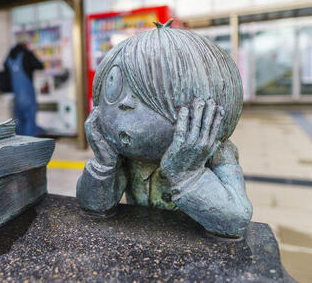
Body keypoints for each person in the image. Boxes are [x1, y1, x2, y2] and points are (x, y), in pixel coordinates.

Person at [76, 20, 252, 238]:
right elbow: (93, 206)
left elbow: (236, 220)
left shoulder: (214, 150)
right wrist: (102, 165)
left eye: (148, 92)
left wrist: (187, 174)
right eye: (115, 87)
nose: (126, 102)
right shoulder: (123, 154)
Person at [2, 43, 44, 136]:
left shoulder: (9, 58)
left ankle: (21, 145)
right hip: (27, 96)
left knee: (19, 122)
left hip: (16, 97)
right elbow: (40, 65)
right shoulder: (26, 55)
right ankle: (30, 144)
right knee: (30, 120)